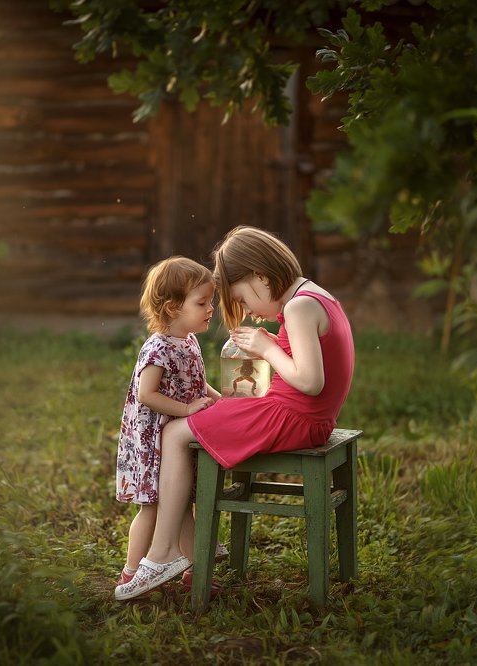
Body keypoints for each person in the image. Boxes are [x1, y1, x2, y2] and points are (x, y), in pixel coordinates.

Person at [115, 226, 355, 600]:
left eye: (243, 298)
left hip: (294, 417)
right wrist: (274, 344)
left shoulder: (299, 307)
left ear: (260, 276)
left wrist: (267, 347)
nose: (249, 311)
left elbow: (310, 382)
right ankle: (181, 550)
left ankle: (162, 554)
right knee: (212, 413)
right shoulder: (315, 295)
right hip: (306, 417)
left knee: (175, 433)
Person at [114, 256, 222, 589]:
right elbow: (146, 394)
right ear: (173, 307)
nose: (211, 308)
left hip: (174, 437)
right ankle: (133, 571)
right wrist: (187, 411)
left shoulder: (188, 341)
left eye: (211, 301)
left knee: (181, 504)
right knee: (152, 508)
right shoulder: (157, 347)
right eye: (202, 302)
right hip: (152, 441)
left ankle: (193, 572)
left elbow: (196, 382)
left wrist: (220, 399)